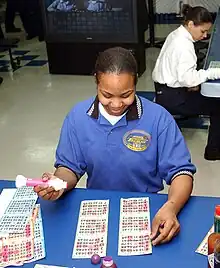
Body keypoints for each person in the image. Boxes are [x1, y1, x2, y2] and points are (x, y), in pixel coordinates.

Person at [34, 47, 196, 246]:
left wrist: (171, 207)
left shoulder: (158, 118)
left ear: (136, 82)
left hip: (146, 211)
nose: (117, 104)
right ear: (96, 82)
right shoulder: (78, 117)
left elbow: (181, 173)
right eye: (107, 95)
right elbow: (69, 168)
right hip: (97, 209)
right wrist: (58, 184)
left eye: (126, 95)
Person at [152, 5, 220, 161]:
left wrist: (191, 83)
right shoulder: (185, 46)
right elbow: (188, 79)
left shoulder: (176, 34)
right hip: (174, 98)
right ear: (191, 25)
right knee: (218, 105)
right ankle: (213, 151)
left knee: (199, 88)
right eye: (203, 31)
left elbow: (184, 77)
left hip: (164, 90)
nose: (205, 36)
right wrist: (214, 72)